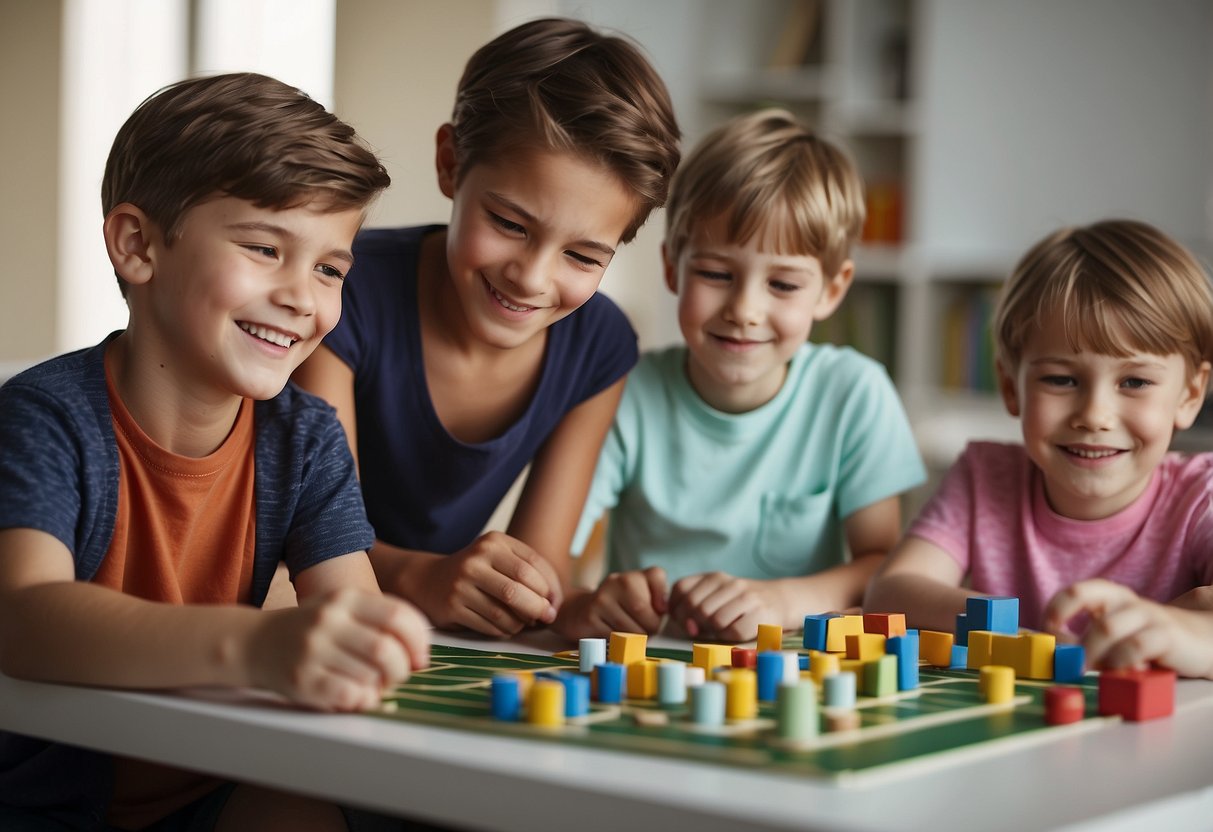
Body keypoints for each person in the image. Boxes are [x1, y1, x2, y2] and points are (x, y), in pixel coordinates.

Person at [0, 73, 433, 830]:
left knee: (302, 813)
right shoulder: (45, 417)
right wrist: (257, 643)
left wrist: (370, 640)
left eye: (330, 268)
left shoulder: (305, 439)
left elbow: (350, 612)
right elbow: (25, 620)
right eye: (266, 248)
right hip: (42, 808)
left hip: (217, 789)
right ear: (138, 245)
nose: (304, 296)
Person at [293, 17, 681, 639]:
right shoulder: (343, 292)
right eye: (509, 223)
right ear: (450, 163)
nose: (531, 277)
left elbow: (540, 569)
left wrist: (573, 607)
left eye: (583, 257)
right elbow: (310, 540)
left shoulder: (599, 346)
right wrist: (424, 578)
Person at [558, 108, 926, 642]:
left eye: (783, 285)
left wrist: (781, 600)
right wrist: (591, 603)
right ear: (671, 267)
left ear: (832, 289)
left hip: (794, 663)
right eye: (715, 273)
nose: (745, 310)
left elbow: (883, 567)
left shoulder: (854, 394)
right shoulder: (624, 391)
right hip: (652, 661)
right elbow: (556, 552)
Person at [865, 219, 1213, 679]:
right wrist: (1019, 637)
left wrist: (1175, 630)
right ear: (1011, 387)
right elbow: (891, 592)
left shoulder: (1200, 495)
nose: (1094, 414)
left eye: (1134, 382)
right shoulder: (984, 475)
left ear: (1189, 395)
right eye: (1061, 379)